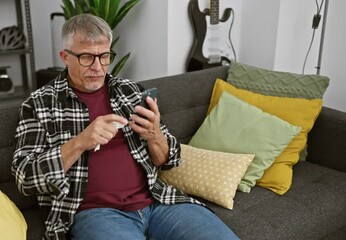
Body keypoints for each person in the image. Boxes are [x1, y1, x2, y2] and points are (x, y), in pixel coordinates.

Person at [12, 13, 239, 240]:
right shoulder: (39, 104)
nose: (98, 67)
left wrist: (155, 135)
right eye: (86, 57)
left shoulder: (130, 91)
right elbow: (25, 178)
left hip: (159, 202)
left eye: (104, 56)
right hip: (96, 214)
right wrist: (80, 142)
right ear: (65, 56)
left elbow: (169, 160)